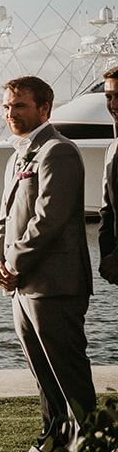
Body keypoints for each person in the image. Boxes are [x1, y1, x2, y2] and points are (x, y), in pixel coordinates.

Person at [0, 75, 94, 452]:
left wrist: (13, 265)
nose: (9, 113)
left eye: (18, 106)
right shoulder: (18, 155)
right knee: (43, 378)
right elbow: (4, 219)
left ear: (44, 108)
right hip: (21, 287)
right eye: (6, 106)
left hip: (56, 285)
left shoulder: (58, 151)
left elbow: (48, 218)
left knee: (69, 376)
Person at [99, 65, 118, 288]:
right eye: (109, 97)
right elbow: (107, 210)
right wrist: (107, 258)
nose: (113, 105)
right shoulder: (112, 148)